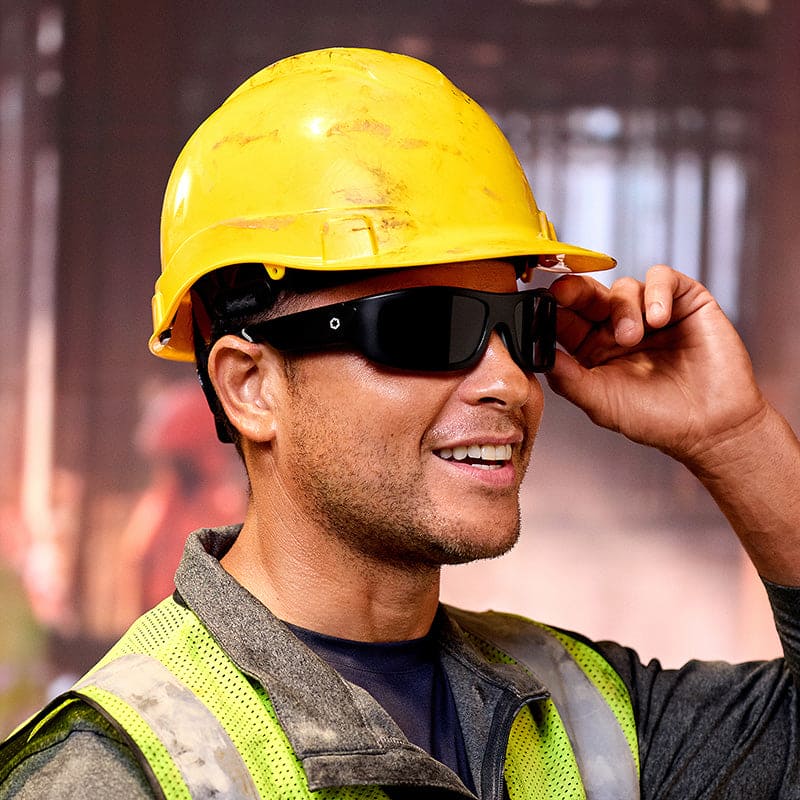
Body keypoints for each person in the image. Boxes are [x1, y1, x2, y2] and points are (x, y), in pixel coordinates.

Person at [2, 46, 799, 800]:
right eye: (428, 327)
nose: (508, 382)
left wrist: (733, 437)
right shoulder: (114, 776)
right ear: (251, 387)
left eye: (521, 328)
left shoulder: (590, 716)